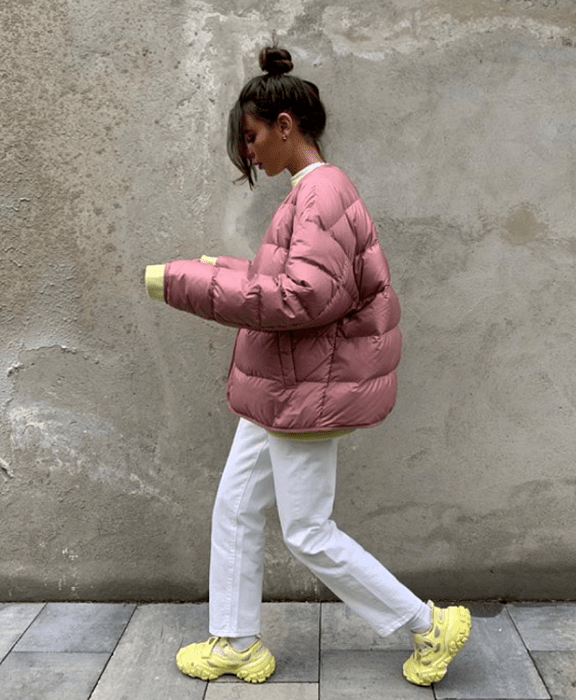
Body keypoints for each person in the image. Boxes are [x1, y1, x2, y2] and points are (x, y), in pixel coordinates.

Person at [145, 44, 471, 687]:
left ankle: (428, 626)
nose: (250, 153)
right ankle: (237, 641)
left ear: (285, 125)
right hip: (284, 386)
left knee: (308, 531)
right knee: (236, 507)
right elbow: (293, 281)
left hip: (305, 389)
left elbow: (302, 298)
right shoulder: (312, 192)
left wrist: (183, 281)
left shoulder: (321, 191)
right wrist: (219, 270)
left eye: (252, 136)